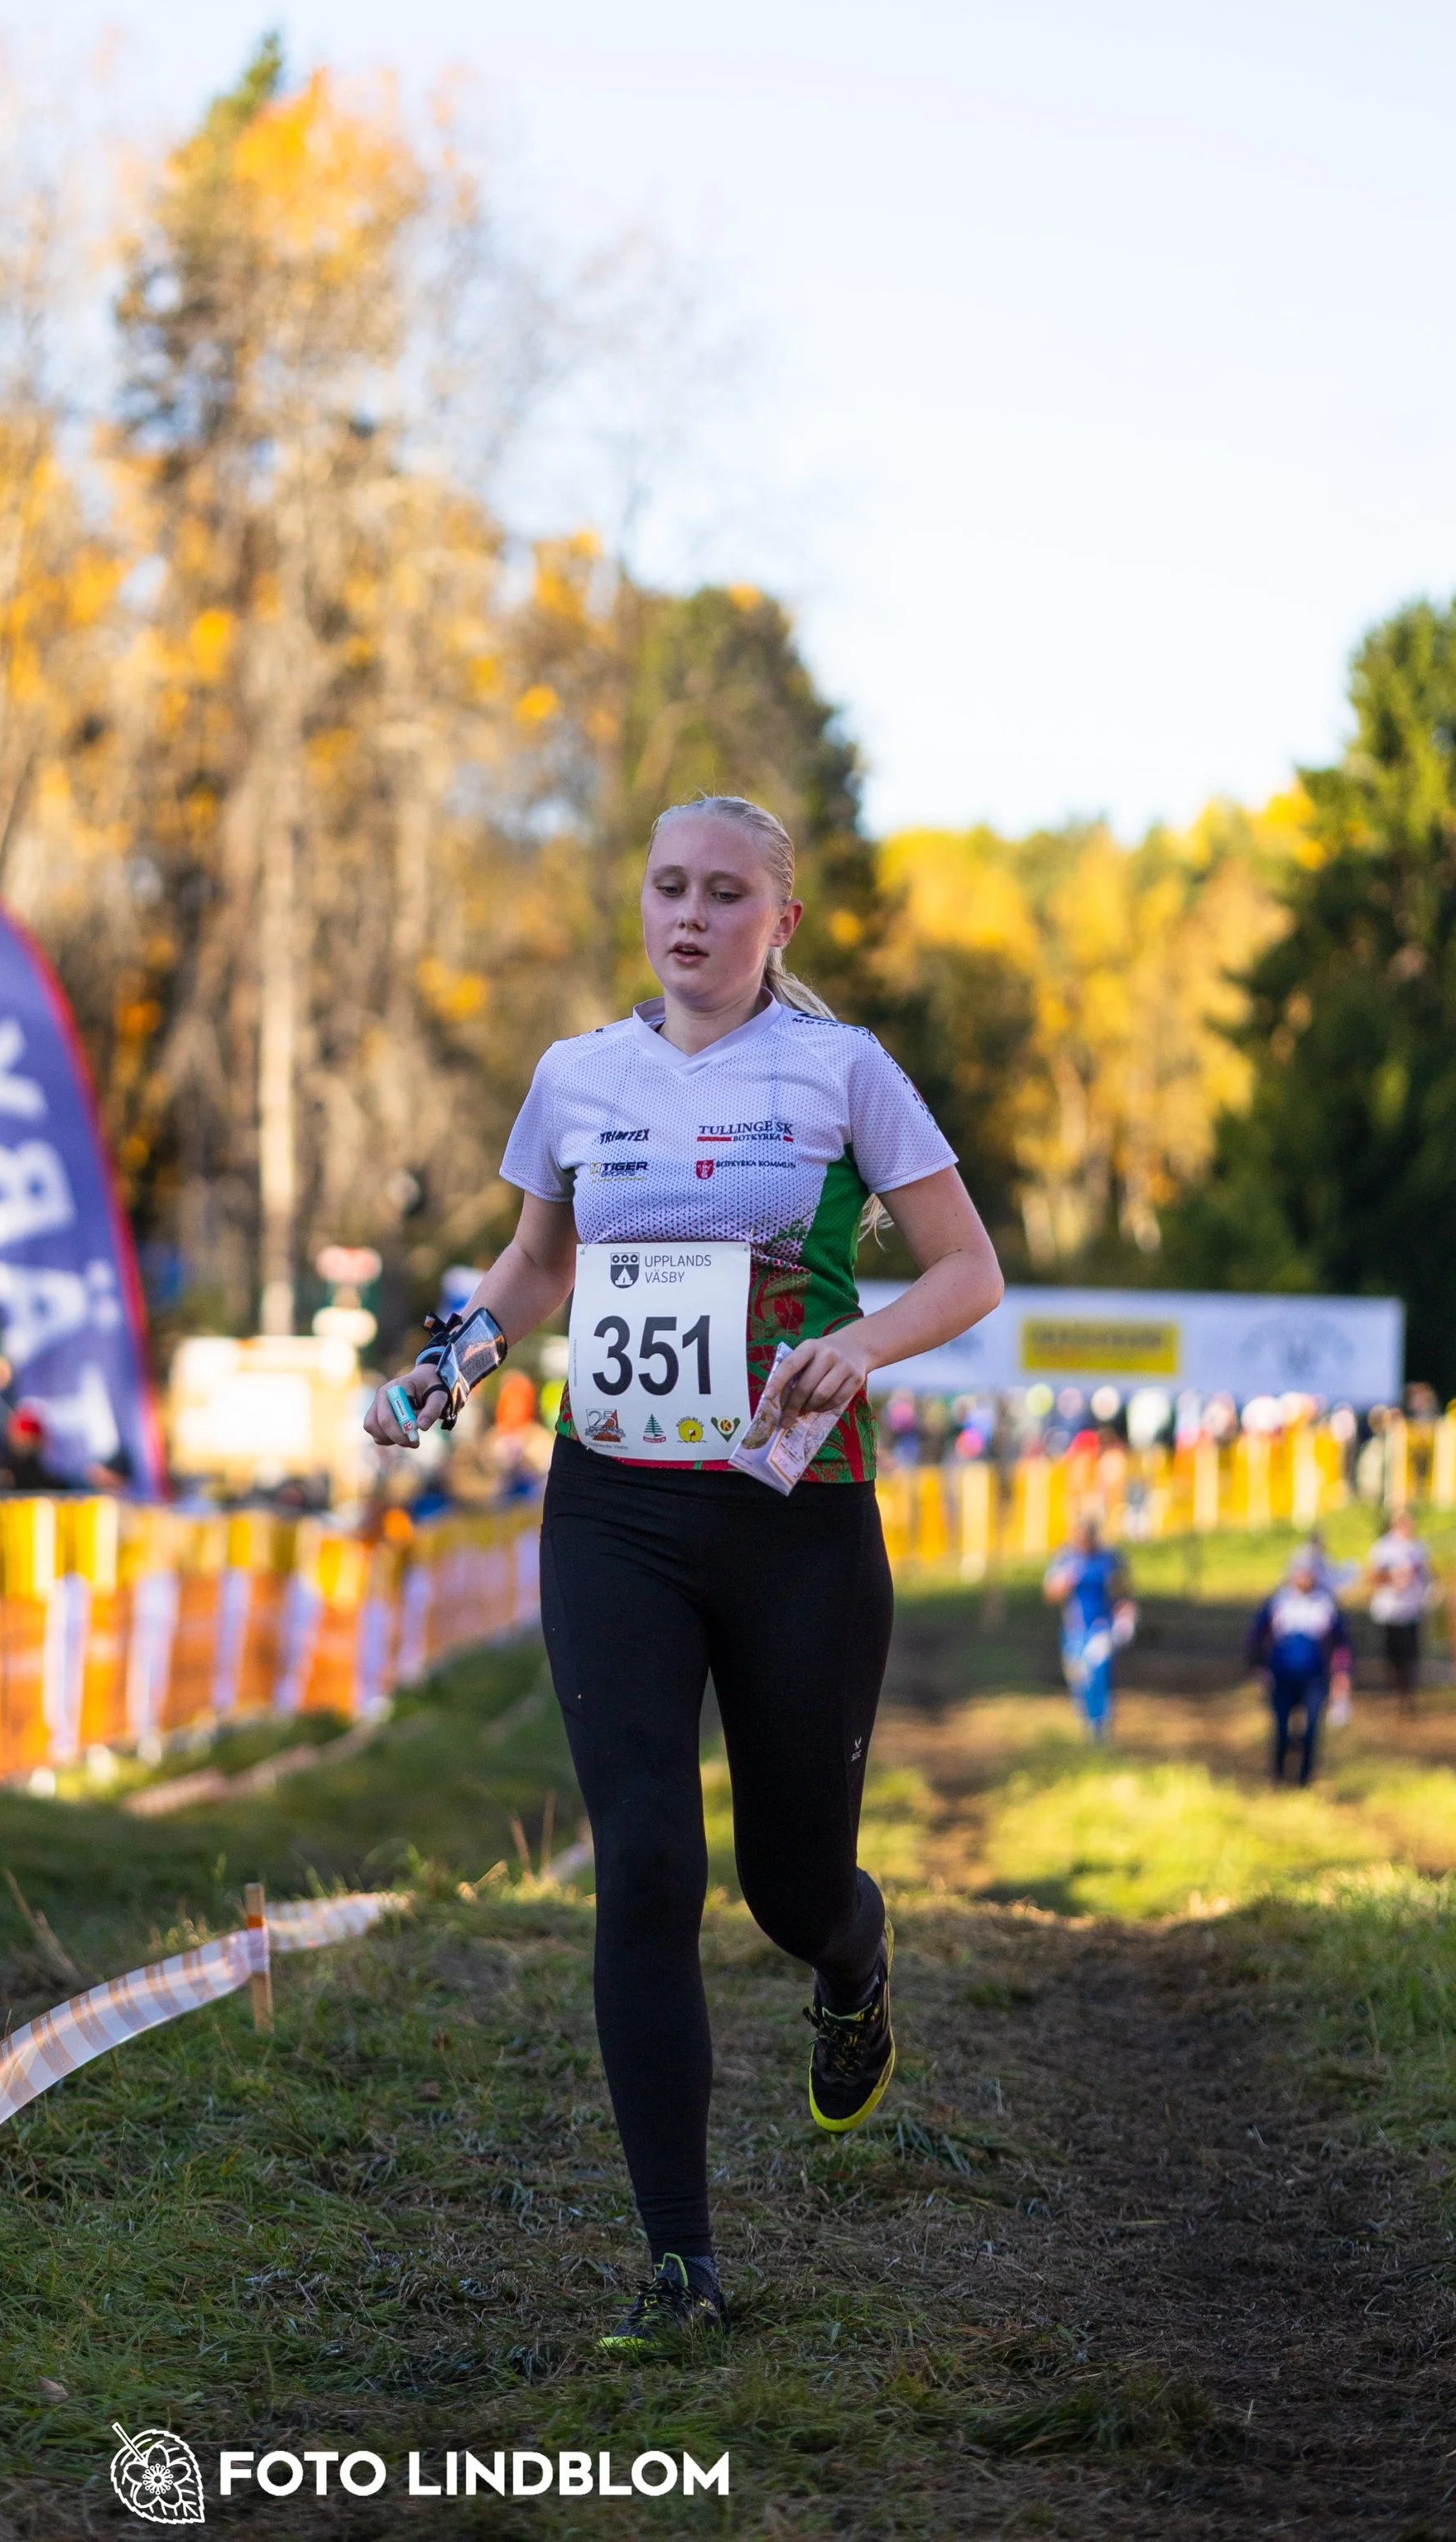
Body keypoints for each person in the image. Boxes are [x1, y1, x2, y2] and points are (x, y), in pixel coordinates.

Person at [364, 792, 1002, 2356]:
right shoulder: (580, 1076)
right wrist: (448, 1367)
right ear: (639, 906)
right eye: (668, 888)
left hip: (796, 1515)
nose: (693, 917)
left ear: (780, 923)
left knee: (790, 1888)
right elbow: (537, 1263)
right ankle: (680, 2263)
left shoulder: (844, 1069)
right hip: (617, 1513)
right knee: (646, 1859)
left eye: (727, 895)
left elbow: (967, 1268)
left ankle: (853, 1962)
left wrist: (854, 1347)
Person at [1247, 1548, 1352, 1786]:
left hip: (1315, 1678)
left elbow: (1342, 1643)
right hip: (1281, 1677)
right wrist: (1258, 1668)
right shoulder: (1278, 1601)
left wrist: (1342, 1673)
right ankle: (1278, 1775)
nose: (1304, 1578)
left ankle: (1305, 1778)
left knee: (1312, 1728)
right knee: (1282, 1728)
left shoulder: (1326, 1604)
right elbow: (1255, 1638)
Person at [1042, 1513, 1133, 1740]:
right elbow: (1050, 1593)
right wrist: (1063, 1584)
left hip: (1101, 1628)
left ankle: (1100, 1729)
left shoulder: (1109, 1559)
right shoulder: (1066, 1559)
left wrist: (1125, 1619)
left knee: (1099, 1675)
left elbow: (1125, 1592)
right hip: (1074, 1630)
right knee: (1079, 1679)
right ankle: (1088, 1723)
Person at [1365, 1506, 1432, 1711]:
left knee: (1411, 1654)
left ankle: (1407, 1695)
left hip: (1412, 1609)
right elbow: (1371, 1576)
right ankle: (1398, 1690)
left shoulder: (1419, 1547)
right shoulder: (1383, 1547)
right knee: (1394, 1654)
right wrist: (1393, 1576)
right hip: (1390, 1611)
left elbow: (1426, 1576)